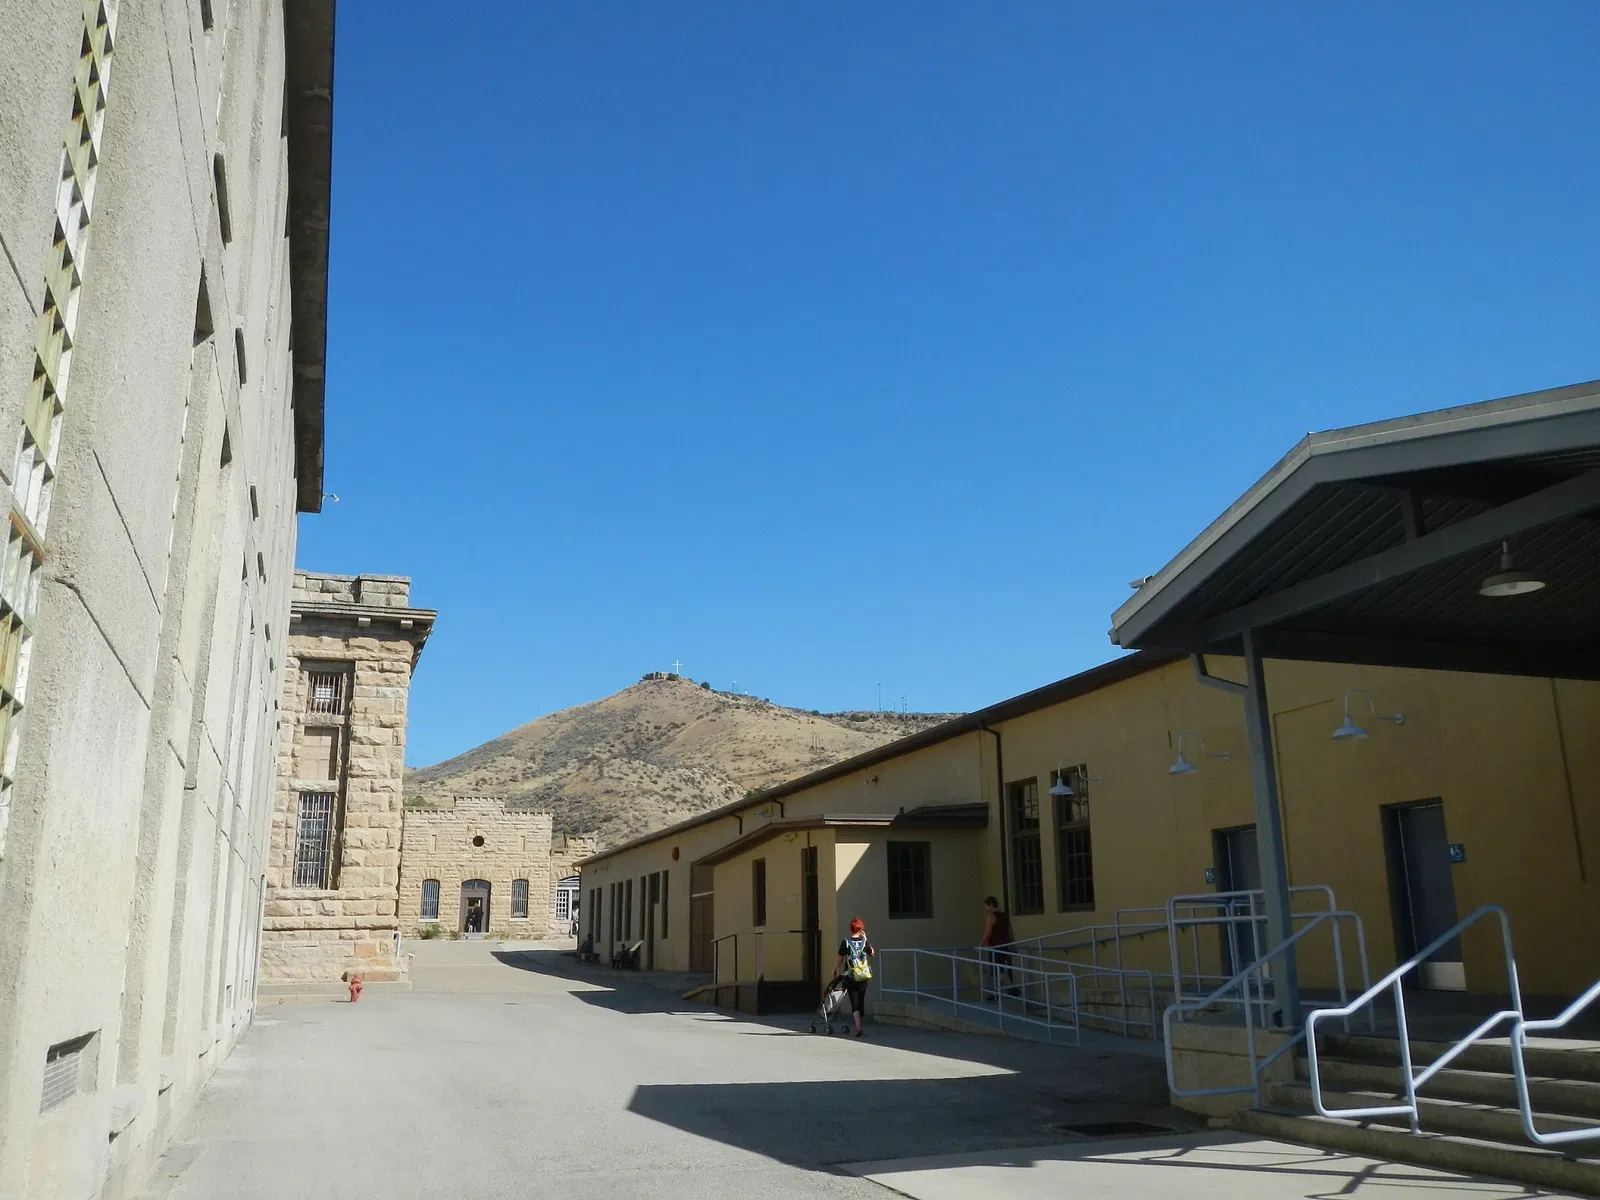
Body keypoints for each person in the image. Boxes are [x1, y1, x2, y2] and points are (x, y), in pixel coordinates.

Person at [833, 917, 876, 1037]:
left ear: (851, 929)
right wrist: (866, 939)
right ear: (861, 928)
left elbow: (840, 959)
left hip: (850, 977)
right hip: (863, 976)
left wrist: (835, 969)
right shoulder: (864, 941)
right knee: (860, 1000)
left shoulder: (845, 942)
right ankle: (859, 1022)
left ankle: (858, 1027)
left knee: (854, 1001)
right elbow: (872, 953)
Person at [979, 895, 1015, 1001]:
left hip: (995, 946)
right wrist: (1013, 944)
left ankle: (1010, 989)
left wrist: (981, 944)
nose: (985, 909)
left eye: (986, 906)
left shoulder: (991, 917)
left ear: (990, 905)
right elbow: (1010, 931)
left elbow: (988, 932)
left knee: (997, 970)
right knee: (1000, 969)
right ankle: (999, 992)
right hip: (1004, 945)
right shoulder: (1005, 916)